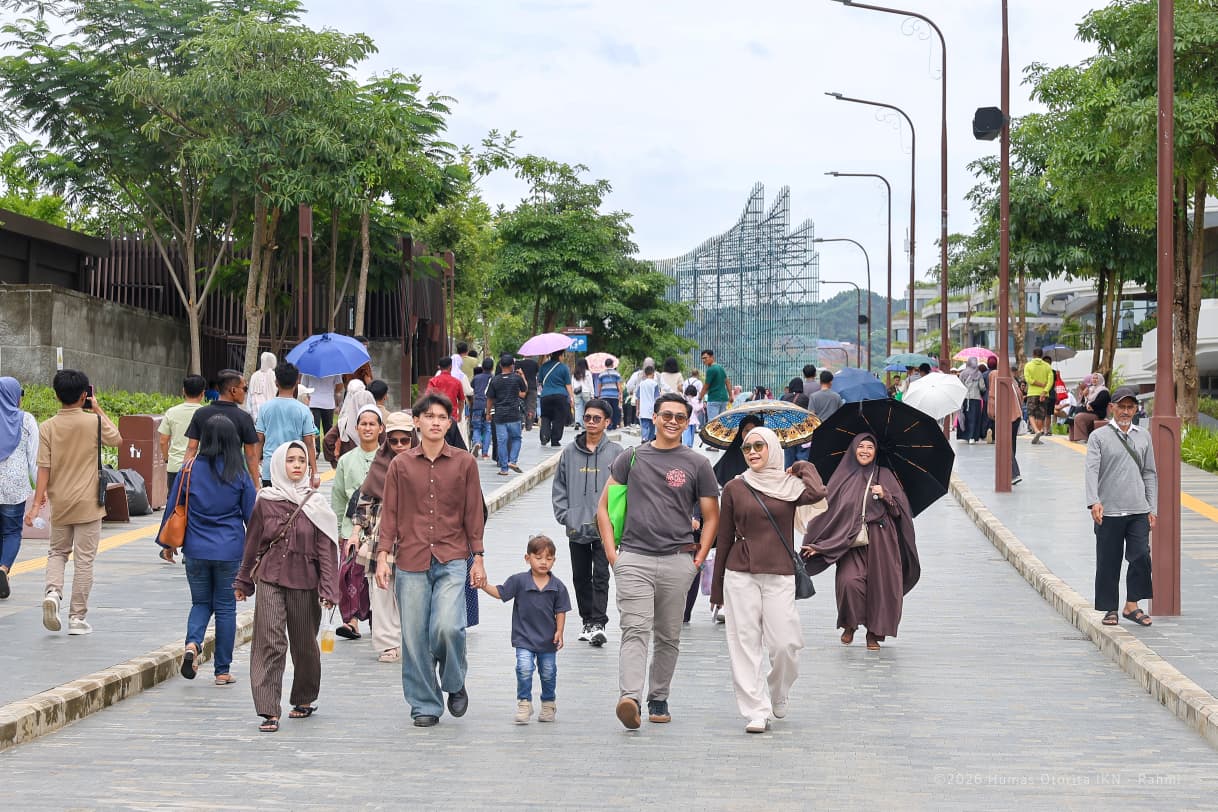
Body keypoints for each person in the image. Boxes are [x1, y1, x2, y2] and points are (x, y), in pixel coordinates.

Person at [596, 392, 720, 730]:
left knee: (667, 634)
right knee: (635, 630)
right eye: (667, 415)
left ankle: (659, 696)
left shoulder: (698, 464)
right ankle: (630, 698)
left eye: (681, 417)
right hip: (633, 558)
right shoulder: (631, 457)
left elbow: (711, 515)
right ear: (654, 417)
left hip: (678, 560)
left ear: (687, 422)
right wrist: (612, 554)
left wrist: (698, 558)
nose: (673, 421)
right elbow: (604, 509)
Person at [374, 392, 486, 727]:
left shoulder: (465, 463)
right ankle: (424, 703)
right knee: (413, 636)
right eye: (429, 416)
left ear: (449, 423)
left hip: (453, 556)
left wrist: (478, 557)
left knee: (448, 626)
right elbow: (389, 513)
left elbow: (474, 513)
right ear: (417, 422)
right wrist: (382, 556)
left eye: (441, 417)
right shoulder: (401, 465)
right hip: (410, 559)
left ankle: (453, 680)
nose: (435, 422)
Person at [711, 426, 826, 733]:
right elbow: (723, 539)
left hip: (780, 573)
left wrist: (802, 465)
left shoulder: (789, 484)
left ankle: (779, 691)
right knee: (744, 643)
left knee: (786, 643)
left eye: (759, 446)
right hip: (740, 572)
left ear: (773, 448)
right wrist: (716, 589)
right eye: (747, 448)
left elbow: (817, 492)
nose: (752, 453)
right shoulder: (735, 487)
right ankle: (756, 710)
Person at [234, 440, 339, 732]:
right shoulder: (265, 501)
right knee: (270, 640)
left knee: (305, 644)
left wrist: (329, 589)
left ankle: (304, 697)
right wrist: (243, 581)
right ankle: (268, 709)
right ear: (279, 464)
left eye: (301, 461)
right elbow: (252, 544)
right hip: (270, 578)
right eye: (290, 460)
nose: (296, 465)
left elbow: (326, 551)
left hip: (305, 582)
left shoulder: (316, 503)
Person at [159, 416, 256, 685]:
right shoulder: (239, 474)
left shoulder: (189, 469)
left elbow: (173, 506)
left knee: (200, 603)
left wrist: (167, 545)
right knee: (226, 608)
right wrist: (257, 554)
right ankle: (222, 671)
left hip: (195, 549)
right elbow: (252, 515)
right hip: (229, 551)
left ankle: (192, 645)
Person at [801, 433, 920, 651]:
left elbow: (899, 511)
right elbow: (829, 514)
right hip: (851, 544)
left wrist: (885, 496)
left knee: (880, 588)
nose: (865, 451)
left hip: (882, 542)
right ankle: (850, 624)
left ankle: (873, 634)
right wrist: (818, 544)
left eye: (870, 447)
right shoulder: (842, 477)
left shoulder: (885, 475)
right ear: (853, 450)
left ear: (876, 452)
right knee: (849, 582)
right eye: (861, 447)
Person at [25, 370, 122, 634]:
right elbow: (117, 439)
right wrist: (98, 408)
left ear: (56, 395)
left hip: (61, 502)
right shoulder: (94, 423)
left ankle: (53, 593)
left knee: (57, 552)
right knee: (84, 560)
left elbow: (43, 468)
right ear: (84, 395)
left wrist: (36, 505)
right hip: (89, 503)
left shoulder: (47, 427)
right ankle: (77, 618)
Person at [479, 534, 571, 724]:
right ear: (527, 558)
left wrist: (559, 631)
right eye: (538, 558)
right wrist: (483, 586)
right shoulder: (519, 581)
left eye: (549, 558)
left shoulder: (558, 586)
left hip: (547, 640)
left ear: (554, 560)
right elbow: (501, 593)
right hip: (524, 638)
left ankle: (548, 703)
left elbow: (561, 611)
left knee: (548, 671)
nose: (543, 562)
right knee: (524, 668)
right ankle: (524, 702)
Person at [552, 398, 623, 647]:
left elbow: (626, 490)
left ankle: (598, 623)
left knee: (601, 575)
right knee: (581, 576)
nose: (591, 422)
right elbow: (559, 486)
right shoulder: (569, 452)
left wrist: (620, 523)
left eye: (597, 418)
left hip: (606, 529)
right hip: (577, 526)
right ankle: (587, 621)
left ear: (607, 422)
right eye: (588, 417)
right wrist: (566, 515)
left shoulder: (617, 453)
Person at [1085, 386, 1157, 628]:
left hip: (1138, 509)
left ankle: (1132, 605)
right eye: (1121, 407)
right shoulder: (1099, 437)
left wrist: (1151, 507)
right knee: (1108, 561)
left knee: (1141, 557)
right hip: (1109, 510)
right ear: (1111, 408)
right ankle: (1110, 609)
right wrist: (1094, 500)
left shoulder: (1143, 435)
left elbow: (1150, 473)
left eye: (1130, 407)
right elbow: (1091, 471)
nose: (1126, 411)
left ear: (1136, 409)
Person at [351, 411, 417, 662]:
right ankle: (388, 643)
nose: (399, 446)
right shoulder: (379, 466)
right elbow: (364, 504)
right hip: (381, 539)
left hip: (414, 538)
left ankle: (410, 641)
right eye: (394, 441)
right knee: (381, 593)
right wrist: (355, 535)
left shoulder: (423, 465)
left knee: (412, 593)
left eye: (405, 440)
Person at [330, 405, 383, 642]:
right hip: (350, 527)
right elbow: (339, 497)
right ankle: (350, 621)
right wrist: (340, 529)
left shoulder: (388, 459)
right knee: (348, 575)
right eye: (364, 423)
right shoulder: (346, 460)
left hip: (378, 527)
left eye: (373, 424)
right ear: (356, 428)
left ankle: (377, 621)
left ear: (381, 428)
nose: (368, 428)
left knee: (372, 575)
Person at [184, 369, 261, 488]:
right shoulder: (244, 418)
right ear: (233, 390)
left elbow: (191, 448)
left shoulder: (200, 413)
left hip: (203, 476)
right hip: (233, 476)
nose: (246, 393)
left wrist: (183, 477)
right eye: (244, 389)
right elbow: (250, 455)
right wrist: (256, 484)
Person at [0, 377, 38, 599]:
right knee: (12, 531)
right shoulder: (26, 421)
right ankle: (3, 569)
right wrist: (42, 491)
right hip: (15, 487)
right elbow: (35, 460)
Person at [255, 363, 320, 488]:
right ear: (296, 382)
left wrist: (255, 466)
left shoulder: (265, 408)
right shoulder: (303, 410)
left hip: (271, 468)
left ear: (276, 382)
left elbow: (259, 440)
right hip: (296, 468)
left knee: (272, 505)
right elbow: (309, 443)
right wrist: (315, 472)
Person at [159, 375, 207, 495]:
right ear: (203, 393)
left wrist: (167, 459)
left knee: (174, 504)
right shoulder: (206, 413)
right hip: (199, 467)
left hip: (175, 466)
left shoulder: (172, 412)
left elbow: (163, 441)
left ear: (183, 391)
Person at [485, 354, 528, 476]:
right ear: (512, 366)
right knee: (516, 438)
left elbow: (490, 399)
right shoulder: (516, 378)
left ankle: (504, 469)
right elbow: (524, 393)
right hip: (514, 415)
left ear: (500, 365)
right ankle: (513, 461)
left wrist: (488, 413)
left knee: (501, 442)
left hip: (499, 416)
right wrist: (522, 376)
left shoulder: (495, 380)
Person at [324, 380, 375, 467]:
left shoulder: (344, 421)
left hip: (348, 464)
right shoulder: (375, 420)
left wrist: (334, 462)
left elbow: (327, 440)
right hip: (372, 464)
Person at [537, 350, 574, 448]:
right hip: (560, 396)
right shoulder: (564, 368)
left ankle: (545, 435)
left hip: (545, 396)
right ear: (560, 356)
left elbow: (540, 382)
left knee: (545, 416)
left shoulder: (543, 366)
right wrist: (571, 398)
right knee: (559, 418)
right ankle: (555, 440)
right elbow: (568, 385)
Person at [302, 373, 342, 450]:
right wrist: (332, 391)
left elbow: (304, 385)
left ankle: (315, 449)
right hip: (328, 402)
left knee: (314, 428)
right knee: (328, 429)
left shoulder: (308, 369)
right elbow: (339, 386)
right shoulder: (334, 369)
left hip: (313, 402)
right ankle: (329, 449)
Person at [1022, 348, 1054, 444]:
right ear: (1041, 355)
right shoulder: (1047, 366)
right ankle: (1038, 437)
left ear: (1033, 354)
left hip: (1032, 393)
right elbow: (1050, 381)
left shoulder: (1028, 365)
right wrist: (1044, 391)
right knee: (1040, 415)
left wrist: (1038, 384)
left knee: (1031, 413)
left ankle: (1036, 431)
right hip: (1044, 394)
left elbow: (1028, 379)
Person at [1071, 373, 1111, 443]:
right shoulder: (1091, 389)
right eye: (1093, 378)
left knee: (1079, 416)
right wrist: (1085, 395)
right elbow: (1083, 402)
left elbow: (1100, 402)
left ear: (1101, 380)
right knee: (1074, 413)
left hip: (1098, 413)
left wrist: (1091, 405)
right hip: (1090, 411)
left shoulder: (1104, 391)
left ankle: (1082, 438)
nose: (1094, 380)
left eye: (1096, 378)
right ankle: (1073, 437)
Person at [426, 356, 466, 424]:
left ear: (439, 367)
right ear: (450, 367)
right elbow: (461, 401)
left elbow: (427, 397)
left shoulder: (433, 381)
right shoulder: (457, 382)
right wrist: (460, 415)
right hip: (451, 416)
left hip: (436, 416)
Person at [470, 357, 494, 459]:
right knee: (488, 429)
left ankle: (477, 443)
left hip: (477, 405)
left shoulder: (476, 378)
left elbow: (472, 388)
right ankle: (485, 453)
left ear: (482, 367)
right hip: (489, 406)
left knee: (476, 427)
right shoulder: (494, 378)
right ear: (492, 367)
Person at [959, 358, 987, 444]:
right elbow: (982, 387)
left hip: (965, 399)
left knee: (966, 417)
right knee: (974, 418)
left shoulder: (963, 373)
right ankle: (973, 437)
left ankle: (966, 436)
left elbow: (960, 386)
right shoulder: (978, 374)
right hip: (976, 399)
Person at [700, 350, 732, 422]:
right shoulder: (720, 368)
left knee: (713, 423)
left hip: (714, 399)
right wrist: (730, 395)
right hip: (724, 399)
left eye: (705, 358)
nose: (704, 360)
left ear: (712, 357)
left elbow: (706, 386)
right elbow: (727, 382)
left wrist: (700, 397)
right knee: (723, 422)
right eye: (702, 358)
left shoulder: (710, 369)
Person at [246, 351, 277, 420]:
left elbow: (250, 396)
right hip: (271, 413)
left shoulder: (254, 375)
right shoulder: (274, 375)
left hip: (256, 414)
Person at [595, 359, 623, 430]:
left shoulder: (601, 374)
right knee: (614, 410)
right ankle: (614, 424)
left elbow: (599, 386)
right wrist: (620, 394)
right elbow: (619, 385)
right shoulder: (616, 374)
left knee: (606, 410)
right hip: (614, 395)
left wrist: (598, 395)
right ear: (612, 364)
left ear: (605, 365)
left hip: (604, 395)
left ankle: (607, 424)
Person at [636, 366, 661, 443]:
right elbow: (657, 398)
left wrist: (637, 409)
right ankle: (650, 441)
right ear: (653, 373)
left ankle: (644, 439)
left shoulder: (641, 384)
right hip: (652, 409)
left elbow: (638, 397)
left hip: (643, 409)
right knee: (652, 426)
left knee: (644, 426)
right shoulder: (655, 384)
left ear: (645, 374)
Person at [572, 358, 595, 430]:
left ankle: (578, 422)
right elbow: (591, 384)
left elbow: (572, 384)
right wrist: (592, 395)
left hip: (577, 392)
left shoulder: (575, 373)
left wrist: (573, 394)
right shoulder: (588, 373)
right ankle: (585, 423)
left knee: (578, 408)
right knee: (587, 408)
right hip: (586, 392)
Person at [518, 356, 540, 431]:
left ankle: (522, 423)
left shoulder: (519, 363)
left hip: (521, 387)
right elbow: (537, 375)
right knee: (531, 406)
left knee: (522, 406)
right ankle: (529, 425)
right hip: (532, 387)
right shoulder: (535, 364)